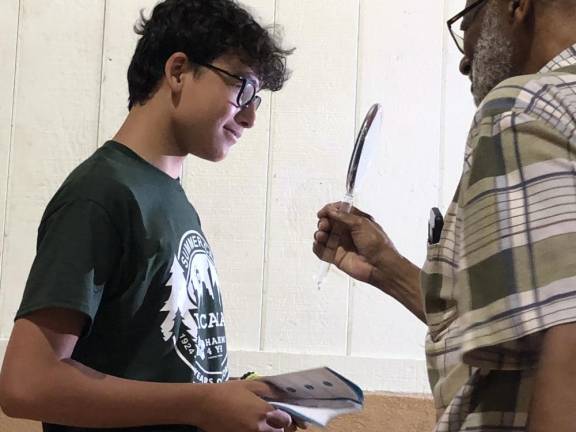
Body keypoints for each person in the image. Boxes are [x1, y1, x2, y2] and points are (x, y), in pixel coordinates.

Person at [0, 1, 297, 431]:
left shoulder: (171, 199)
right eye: (243, 89)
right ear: (177, 71)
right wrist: (203, 404)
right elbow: (26, 385)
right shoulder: (102, 195)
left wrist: (234, 396)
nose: (250, 117)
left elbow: (157, 366)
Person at [314, 0, 576, 431]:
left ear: (516, 6)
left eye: (467, 20)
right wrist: (389, 270)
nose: (462, 59)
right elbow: (520, 336)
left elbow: (566, 336)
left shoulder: (522, 108)